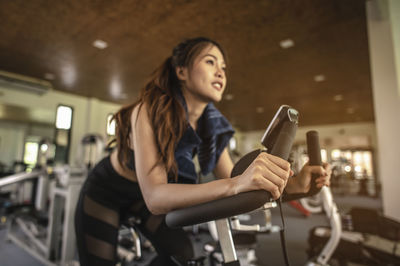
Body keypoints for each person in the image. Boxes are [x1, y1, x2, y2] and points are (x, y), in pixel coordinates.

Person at [74, 37, 331, 266]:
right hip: (107, 193)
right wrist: (236, 183)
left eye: (224, 67)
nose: (220, 72)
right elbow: (155, 196)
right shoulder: (148, 110)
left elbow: (237, 181)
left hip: (140, 201)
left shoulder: (212, 125)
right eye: (210, 62)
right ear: (182, 71)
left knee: (183, 254)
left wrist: (296, 184)